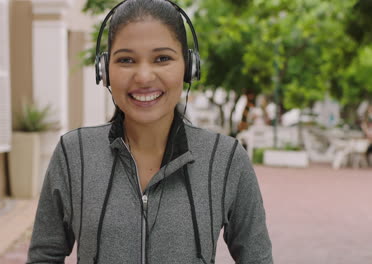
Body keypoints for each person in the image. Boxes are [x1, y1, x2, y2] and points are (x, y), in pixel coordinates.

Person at [27, 0, 273, 263]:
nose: (144, 76)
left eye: (162, 58)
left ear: (189, 67)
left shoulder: (226, 159)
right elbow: (44, 255)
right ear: (104, 70)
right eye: (126, 60)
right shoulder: (74, 154)